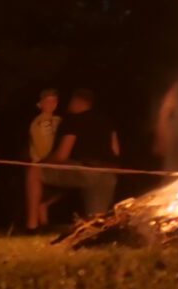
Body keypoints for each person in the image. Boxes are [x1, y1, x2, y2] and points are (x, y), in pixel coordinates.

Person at [42, 88, 120, 226]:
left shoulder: (73, 121)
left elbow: (62, 155)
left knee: (34, 172)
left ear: (76, 101)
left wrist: (44, 161)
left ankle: (37, 221)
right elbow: (116, 151)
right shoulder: (106, 122)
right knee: (96, 221)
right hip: (107, 173)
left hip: (83, 170)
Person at [22, 88, 63, 232]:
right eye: (47, 101)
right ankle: (38, 223)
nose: (51, 104)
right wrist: (49, 159)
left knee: (52, 194)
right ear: (40, 104)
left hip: (54, 161)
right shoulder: (39, 122)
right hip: (42, 162)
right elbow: (42, 145)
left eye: (54, 101)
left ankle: (44, 221)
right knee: (40, 192)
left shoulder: (58, 120)